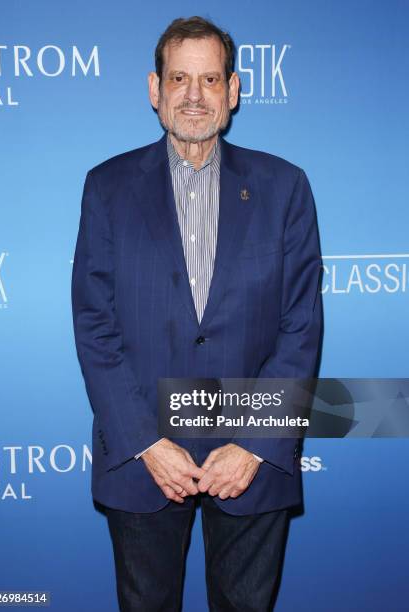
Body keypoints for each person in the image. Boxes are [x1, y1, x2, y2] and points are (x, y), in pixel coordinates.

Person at [71, 15, 323, 612]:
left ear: (233, 91)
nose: (193, 96)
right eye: (179, 78)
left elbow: (300, 326)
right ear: (154, 89)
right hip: (144, 459)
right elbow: (94, 323)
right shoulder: (105, 187)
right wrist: (146, 442)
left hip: (252, 459)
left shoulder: (285, 187)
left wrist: (256, 445)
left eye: (210, 80)